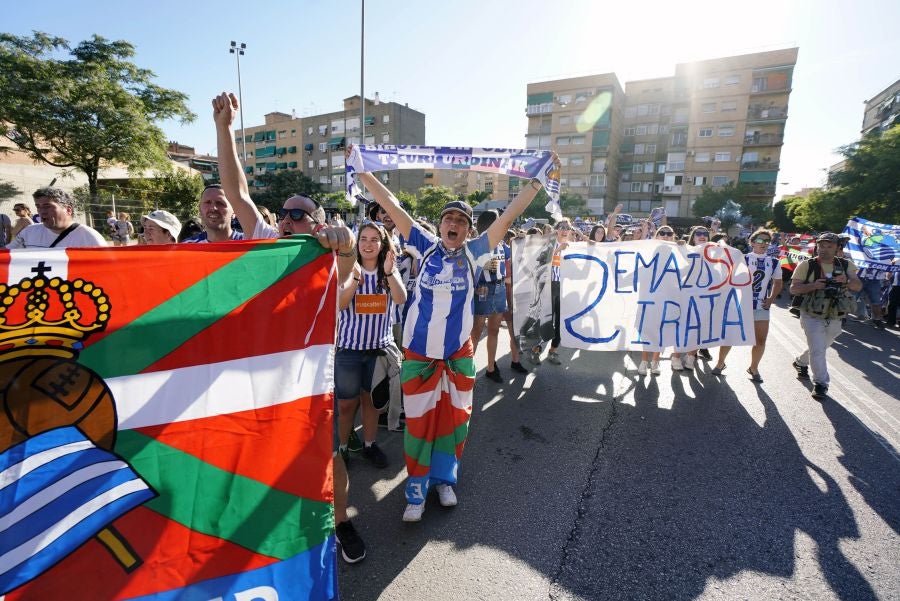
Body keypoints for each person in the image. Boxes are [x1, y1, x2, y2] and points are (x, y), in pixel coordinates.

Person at [352, 143, 558, 523]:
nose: (454, 224)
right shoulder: (423, 245)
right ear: (442, 224)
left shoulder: (477, 252)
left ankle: (445, 481)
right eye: (450, 219)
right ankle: (415, 492)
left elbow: (509, 215)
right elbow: (393, 205)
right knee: (419, 427)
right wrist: (363, 172)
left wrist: (534, 184)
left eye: (461, 221)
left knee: (454, 423)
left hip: (459, 356)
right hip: (419, 355)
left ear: (467, 230)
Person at [213, 91, 363, 563]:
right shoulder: (266, 242)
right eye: (283, 212)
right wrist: (224, 128)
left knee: (329, 454)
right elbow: (236, 191)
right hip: (259, 377)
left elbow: (342, 287)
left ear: (318, 223)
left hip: (312, 379)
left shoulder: (330, 256)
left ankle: (340, 522)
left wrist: (346, 250)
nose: (286, 218)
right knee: (260, 453)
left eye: (298, 213)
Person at [335, 221, 406, 472]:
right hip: (349, 351)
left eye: (374, 239)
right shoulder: (346, 268)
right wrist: (355, 278)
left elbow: (401, 298)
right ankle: (342, 448)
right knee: (345, 404)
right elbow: (342, 304)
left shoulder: (388, 270)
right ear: (357, 242)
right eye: (363, 238)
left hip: (379, 351)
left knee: (372, 403)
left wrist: (388, 272)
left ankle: (369, 444)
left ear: (382, 243)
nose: (368, 244)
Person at [790, 232, 862, 400]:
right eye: (822, 245)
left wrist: (846, 281)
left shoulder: (846, 265)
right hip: (811, 313)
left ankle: (801, 362)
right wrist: (814, 285)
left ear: (838, 248)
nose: (824, 249)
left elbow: (858, 286)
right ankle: (821, 383)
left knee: (822, 345)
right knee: (817, 348)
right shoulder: (807, 265)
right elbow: (794, 289)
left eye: (829, 246)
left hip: (835, 313)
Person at [711, 228, 782, 381]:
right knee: (729, 336)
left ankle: (754, 368)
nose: (764, 244)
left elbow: (778, 282)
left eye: (767, 241)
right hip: (740, 305)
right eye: (760, 240)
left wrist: (771, 299)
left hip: (761, 306)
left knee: (760, 339)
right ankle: (720, 363)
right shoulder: (742, 258)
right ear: (752, 242)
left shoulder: (775, 262)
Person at [471, 210, 526, 381]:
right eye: (499, 222)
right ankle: (467, 372)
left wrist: (525, 241)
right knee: (475, 333)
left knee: (493, 330)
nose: (503, 225)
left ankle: (490, 368)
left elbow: (518, 254)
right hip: (484, 291)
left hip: (499, 290)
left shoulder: (502, 245)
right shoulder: (479, 244)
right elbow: (486, 269)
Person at [8, 187, 106, 248]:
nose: (42, 211)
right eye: (38, 206)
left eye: (47, 206)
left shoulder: (89, 237)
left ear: (68, 210)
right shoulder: (29, 233)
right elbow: (6, 256)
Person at [637, 225, 677, 375]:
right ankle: (643, 361)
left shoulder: (678, 255)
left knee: (661, 332)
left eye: (669, 233)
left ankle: (655, 361)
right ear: (657, 236)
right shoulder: (649, 253)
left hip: (667, 301)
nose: (666, 236)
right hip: (648, 301)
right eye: (662, 233)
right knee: (646, 332)